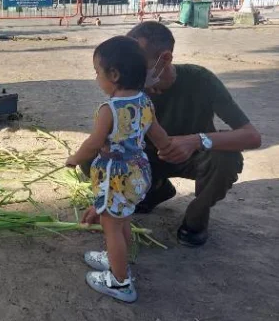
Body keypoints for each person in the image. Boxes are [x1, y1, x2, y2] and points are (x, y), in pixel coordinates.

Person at [81, 21, 262, 247]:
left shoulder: (200, 80)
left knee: (227, 157)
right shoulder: (129, 93)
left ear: (164, 59)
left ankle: (197, 216)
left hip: (192, 157)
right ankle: (155, 190)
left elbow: (252, 136)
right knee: (92, 157)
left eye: (137, 63)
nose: (129, 71)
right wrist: (105, 201)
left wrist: (196, 140)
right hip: (144, 163)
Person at [66, 36, 171, 303]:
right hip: (138, 173)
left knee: (110, 225)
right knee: (122, 219)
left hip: (115, 177)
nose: (96, 78)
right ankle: (119, 257)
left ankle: (120, 282)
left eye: (97, 72)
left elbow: (93, 143)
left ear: (114, 74)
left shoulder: (109, 109)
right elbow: (158, 135)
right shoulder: (145, 102)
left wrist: (75, 158)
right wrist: (166, 147)